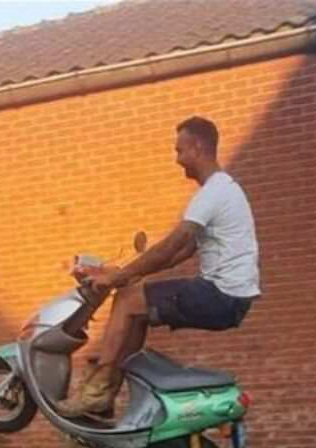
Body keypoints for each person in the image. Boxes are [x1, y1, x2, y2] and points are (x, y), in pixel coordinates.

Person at [58, 115, 260, 419]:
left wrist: (120, 278)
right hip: (230, 297)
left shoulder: (213, 193)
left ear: (198, 147)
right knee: (135, 309)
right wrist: (127, 274)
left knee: (127, 300)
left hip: (220, 295)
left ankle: (95, 392)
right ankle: (106, 395)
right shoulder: (223, 190)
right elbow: (180, 253)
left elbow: (173, 243)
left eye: (180, 150)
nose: (177, 159)